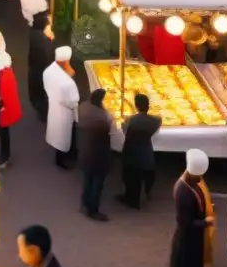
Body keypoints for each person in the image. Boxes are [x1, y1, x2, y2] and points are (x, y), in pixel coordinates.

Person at [169, 149, 215, 267]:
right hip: (186, 235)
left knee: (190, 266)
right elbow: (184, 221)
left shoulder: (193, 181)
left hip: (194, 235)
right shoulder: (183, 191)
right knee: (183, 266)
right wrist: (205, 221)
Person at [118, 93, 162, 209]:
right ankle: (147, 193)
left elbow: (125, 129)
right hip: (146, 154)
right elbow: (158, 119)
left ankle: (131, 200)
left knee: (130, 177)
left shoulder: (132, 120)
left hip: (132, 153)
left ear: (136, 106)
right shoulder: (155, 121)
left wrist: (124, 121)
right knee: (145, 175)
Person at [77, 88, 115, 221]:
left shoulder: (83, 107)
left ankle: (84, 205)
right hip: (98, 155)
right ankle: (93, 210)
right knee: (97, 184)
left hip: (85, 150)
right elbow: (110, 129)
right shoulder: (101, 118)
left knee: (87, 180)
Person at [43, 46, 79, 170]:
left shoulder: (48, 71)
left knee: (58, 134)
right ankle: (62, 160)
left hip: (54, 107)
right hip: (65, 113)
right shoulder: (67, 82)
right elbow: (73, 101)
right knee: (65, 135)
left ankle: (62, 156)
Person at [0, 48, 21, 167]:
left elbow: (2, 94)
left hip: (2, 110)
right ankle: (4, 156)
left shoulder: (3, 75)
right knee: (3, 132)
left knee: (2, 132)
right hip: (4, 109)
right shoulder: (6, 72)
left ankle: (3, 157)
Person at [27, 12, 55, 123]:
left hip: (35, 70)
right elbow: (49, 58)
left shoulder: (35, 34)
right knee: (42, 94)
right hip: (42, 73)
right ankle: (44, 115)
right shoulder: (43, 43)